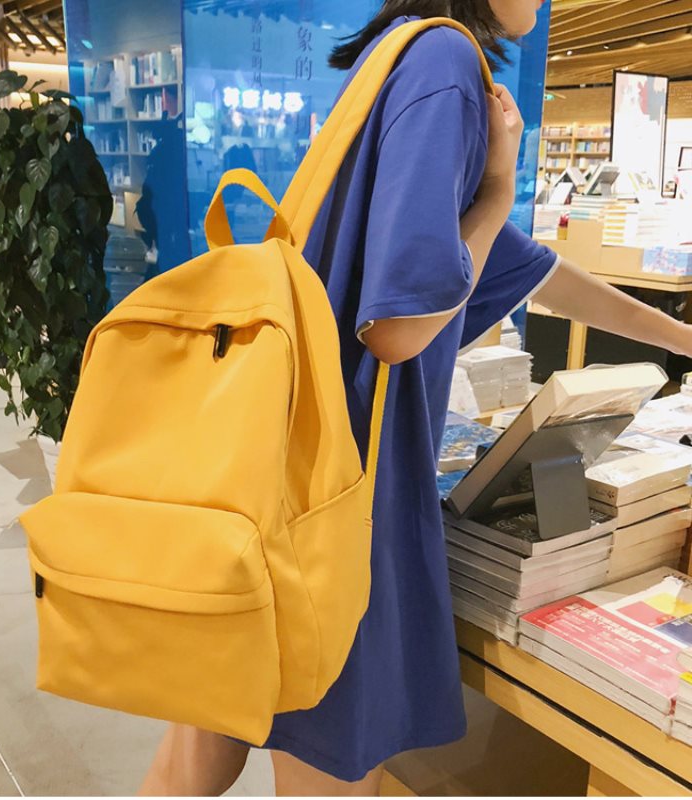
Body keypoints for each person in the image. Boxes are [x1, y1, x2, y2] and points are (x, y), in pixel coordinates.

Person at [138, 1, 692, 795]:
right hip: (347, 491)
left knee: (204, 741)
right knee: (324, 754)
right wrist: (497, 189)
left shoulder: (398, 58)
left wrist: (679, 337)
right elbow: (397, 329)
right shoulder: (447, 66)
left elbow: (535, 272)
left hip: (277, 463)